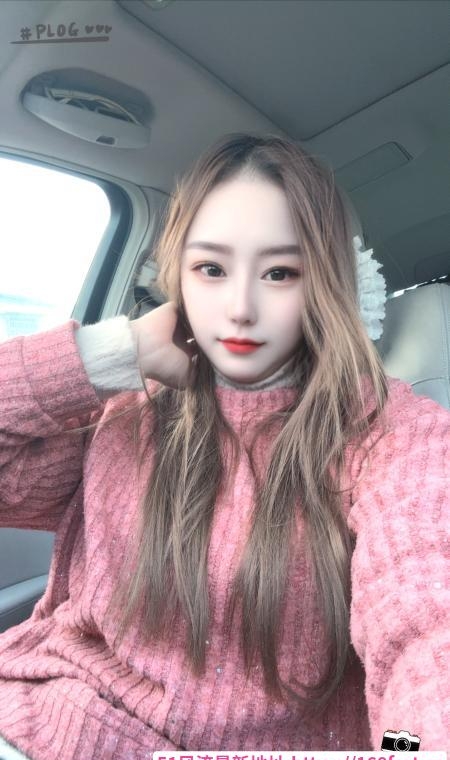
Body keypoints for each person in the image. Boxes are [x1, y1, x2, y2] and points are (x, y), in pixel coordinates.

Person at [0, 133, 448, 760]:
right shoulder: (125, 407)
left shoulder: (392, 435)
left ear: (327, 283)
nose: (240, 309)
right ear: (178, 276)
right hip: (34, 715)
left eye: (280, 273)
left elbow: (427, 624)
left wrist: (410, 748)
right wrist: (107, 354)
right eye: (211, 269)